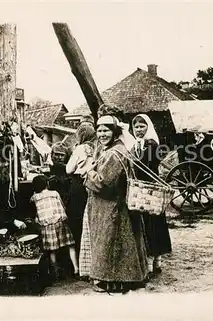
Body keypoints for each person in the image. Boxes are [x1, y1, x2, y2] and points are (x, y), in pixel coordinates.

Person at [84, 115, 149, 293]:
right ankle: (116, 279)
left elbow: (105, 183)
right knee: (116, 243)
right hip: (111, 206)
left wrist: (89, 174)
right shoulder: (111, 149)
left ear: (114, 132)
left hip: (112, 207)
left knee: (110, 243)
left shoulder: (115, 153)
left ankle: (111, 280)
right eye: (99, 130)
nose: (102, 134)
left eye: (106, 130)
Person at [130, 114, 172, 275]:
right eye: (136, 127)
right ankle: (151, 261)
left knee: (153, 223)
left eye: (142, 127)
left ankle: (155, 261)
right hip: (141, 189)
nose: (139, 130)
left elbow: (145, 165)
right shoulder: (136, 145)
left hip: (151, 189)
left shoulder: (151, 144)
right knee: (146, 224)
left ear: (148, 127)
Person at [30, 175, 79, 279]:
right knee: (70, 245)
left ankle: (55, 272)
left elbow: (34, 212)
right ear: (47, 184)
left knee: (52, 251)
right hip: (60, 222)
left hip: (47, 226)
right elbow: (63, 206)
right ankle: (76, 269)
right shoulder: (55, 193)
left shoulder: (34, 197)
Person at [65, 125, 96, 264]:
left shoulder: (80, 148)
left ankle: (78, 261)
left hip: (78, 185)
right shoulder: (97, 147)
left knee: (76, 221)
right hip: (92, 184)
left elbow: (68, 169)